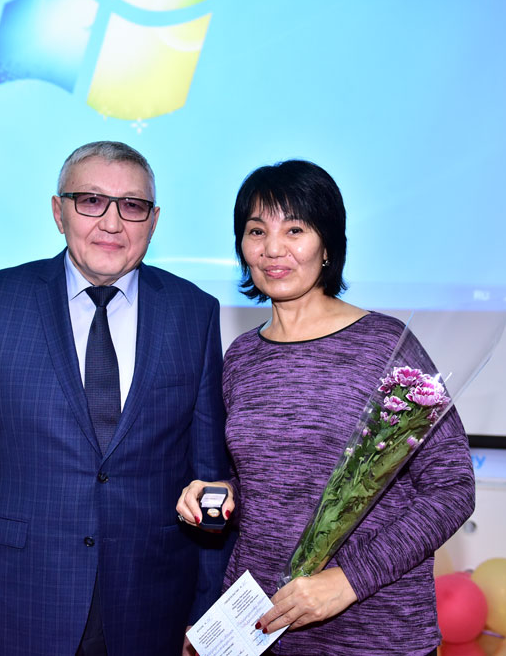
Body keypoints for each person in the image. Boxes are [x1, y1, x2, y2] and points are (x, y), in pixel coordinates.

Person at [0, 141, 232, 656]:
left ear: (154, 221)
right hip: (18, 600)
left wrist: (207, 622)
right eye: (91, 200)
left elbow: (210, 480)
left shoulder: (193, 312)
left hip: (153, 607)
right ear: (58, 212)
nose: (112, 222)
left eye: (132, 206)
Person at [177, 160, 475, 655]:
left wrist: (349, 580)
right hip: (261, 630)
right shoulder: (242, 357)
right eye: (257, 231)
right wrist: (219, 494)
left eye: (295, 230)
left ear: (328, 245)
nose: (273, 249)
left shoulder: (385, 345)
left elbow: (452, 488)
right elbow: (263, 488)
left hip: (374, 635)